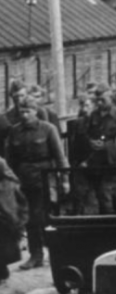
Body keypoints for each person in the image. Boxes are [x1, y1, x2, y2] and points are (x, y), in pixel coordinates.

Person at [5, 99, 69, 270]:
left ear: (35, 111)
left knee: (42, 217)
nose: (24, 115)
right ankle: (36, 254)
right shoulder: (15, 131)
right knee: (29, 219)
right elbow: (10, 159)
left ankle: (54, 253)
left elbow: (59, 157)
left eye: (28, 111)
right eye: (22, 112)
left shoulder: (48, 129)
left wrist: (64, 180)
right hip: (23, 180)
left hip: (44, 180)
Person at [85, 84, 116, 214]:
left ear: (111, 98)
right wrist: (91, 142)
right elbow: (88, 133)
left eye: (103, 100)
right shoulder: (94, 115)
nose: (100, 103)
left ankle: (113, 220)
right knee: (101, 194)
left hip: (113, 161)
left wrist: (107, 146)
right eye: (98, 100)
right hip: (97, 161)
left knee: (106, 191)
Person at [0, 157, 27, 284]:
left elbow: (21, 202)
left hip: (7, 219)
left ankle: (2, 269)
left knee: (5, 244)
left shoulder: (10, 184)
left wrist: (20, 220)